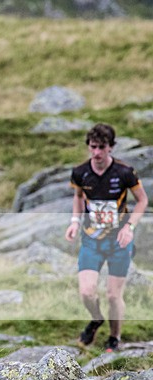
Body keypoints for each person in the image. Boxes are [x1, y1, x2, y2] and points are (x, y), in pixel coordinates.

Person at [65, 123, 148, 352]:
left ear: (111, 147)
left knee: (113, 295)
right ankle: (96, 317)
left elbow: (142, 200)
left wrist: (129, 227)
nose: (97, 152)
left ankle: (114, 337)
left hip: (119, 242)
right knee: (86, 292)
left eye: (102, 147)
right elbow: (78, 197)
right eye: (93, 147)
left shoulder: (124, 172)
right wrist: (74, 221)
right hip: (91, 240)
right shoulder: (80, 172)